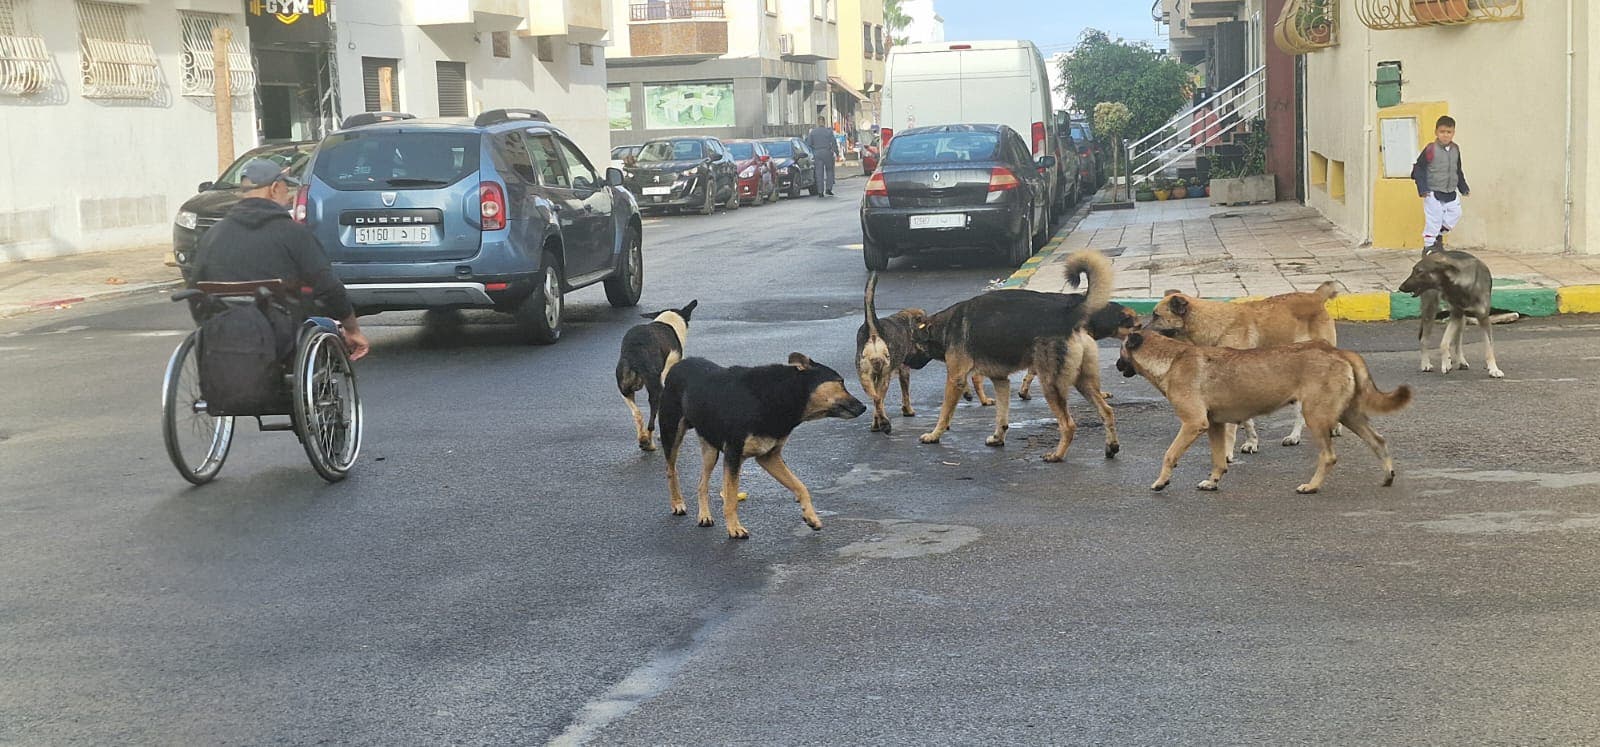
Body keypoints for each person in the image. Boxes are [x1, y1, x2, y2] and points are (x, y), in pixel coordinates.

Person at [191, 159, 370, 360]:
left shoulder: (214, 235)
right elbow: (329, 287)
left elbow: (195, 290)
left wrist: (209, 326)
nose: (288, 194)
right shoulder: (293, 233)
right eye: (286, 187)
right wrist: (352, 329)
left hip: (223, 334)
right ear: (274, 189)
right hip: (280, 337)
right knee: (327, 326)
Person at [1410, 115, 1470, 251]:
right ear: (1436, 132)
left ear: (1453, 133)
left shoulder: (1456, 149)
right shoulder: (1430, 149)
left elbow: (1457, 170)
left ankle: (1438, 234)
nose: (1445, 135)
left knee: (1456, 213)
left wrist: (1463, 187)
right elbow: (1419, 168)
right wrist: (1423, 188)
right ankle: (1429, 247)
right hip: (1432, 191)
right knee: (1434, 220)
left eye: (1449, 132)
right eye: (1442, 132)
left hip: (1450, 191)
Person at [805, 116, 837, 196]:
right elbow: (834, 143)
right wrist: (836, 151)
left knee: (819, 172)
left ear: (818, 122)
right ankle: (828, 188)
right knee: (830, 171)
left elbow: (808, 143)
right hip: (827, 152)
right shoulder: (828, 132)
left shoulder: (813, 132)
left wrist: (814, 149)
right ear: (824, 122)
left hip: (817, 153)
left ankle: (820, 191)